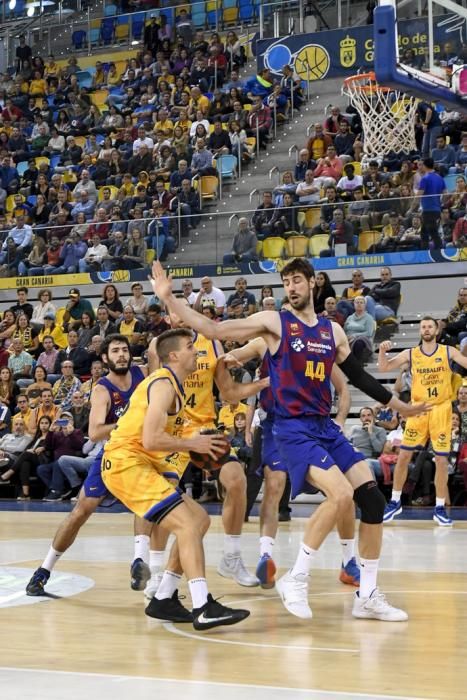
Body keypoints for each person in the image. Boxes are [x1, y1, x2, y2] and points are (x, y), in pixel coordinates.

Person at [152, 258, 427, 622]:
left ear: (313, 283)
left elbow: (360, 378)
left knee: (372, 501)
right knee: (341, 495)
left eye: (297, 280)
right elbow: (214, 329)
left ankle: (367, 596)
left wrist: (399, 405)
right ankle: (296, 578)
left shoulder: (333, 332)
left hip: (324, 426)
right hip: (290, 427)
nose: (292, 287)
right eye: (286, 282)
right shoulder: (274, 324)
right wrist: (170, 300)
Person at [103, 328, 250, 630]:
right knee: (186, 525)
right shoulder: (163, 384)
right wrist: (193, 444)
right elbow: (152, 437)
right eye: (189, 347)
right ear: (174, 356)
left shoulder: (175, 387)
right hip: (125, 463)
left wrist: (199, 440)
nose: (196, 351)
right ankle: (202, 604)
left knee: (199, 520)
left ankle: (164, 597)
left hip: (136, 462)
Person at [144, 302, 270, 596]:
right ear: (168, 317)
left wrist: (263, 383)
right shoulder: (160, 347)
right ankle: (155, 570)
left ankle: (232, 556)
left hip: (205, 429)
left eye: (187, 309)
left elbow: (227, 393)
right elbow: (152, 394)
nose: (182, 314)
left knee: (236, 479)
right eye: (176, 310)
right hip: (172, 432)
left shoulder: (211, 342)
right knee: (166, 500)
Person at [223, 336, 361, 589]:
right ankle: (266, 555)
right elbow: (234, 357)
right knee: (274, 485)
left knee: (343, 492)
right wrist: (232, 358)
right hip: (277, 425)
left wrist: (341, 420)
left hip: (314, 426)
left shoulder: (316, 345)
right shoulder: (263, 343)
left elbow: (343, 389)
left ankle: (348, 560)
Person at [26, 335, 148, 596]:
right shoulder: (102, 389)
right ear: (105, 358)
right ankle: (43, 570)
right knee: (81, 511)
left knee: (144, 502)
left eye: (125, 350)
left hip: (140, 454)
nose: (122, 354)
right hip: (112, 454)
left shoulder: (143, 374)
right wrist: (130, 425)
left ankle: (140, 561)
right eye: (115, 351)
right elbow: (93, 432)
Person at [379, 317, 467, 526]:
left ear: (436, 330)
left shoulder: (448, 351)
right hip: (418, 409)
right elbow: (383, 369)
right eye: (423, 327)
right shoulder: (411, 353)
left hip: (441, 409)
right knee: (404, 456)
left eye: (429, 327)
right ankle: (394, 501)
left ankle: (439, 507)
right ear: (420, 331)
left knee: (442, 460)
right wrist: (382, 351)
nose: (426, 329)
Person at [417, 158, 446, 249]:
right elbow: (445, 193)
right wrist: (440, 203)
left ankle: (440, 250)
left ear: (425, 166)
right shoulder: (440, 177)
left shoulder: (425, 178)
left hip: (428, 210)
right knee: (424, 231)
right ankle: (425, 252)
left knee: (432, 231)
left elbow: (419, 195)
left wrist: (411, 207)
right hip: (436, 209)